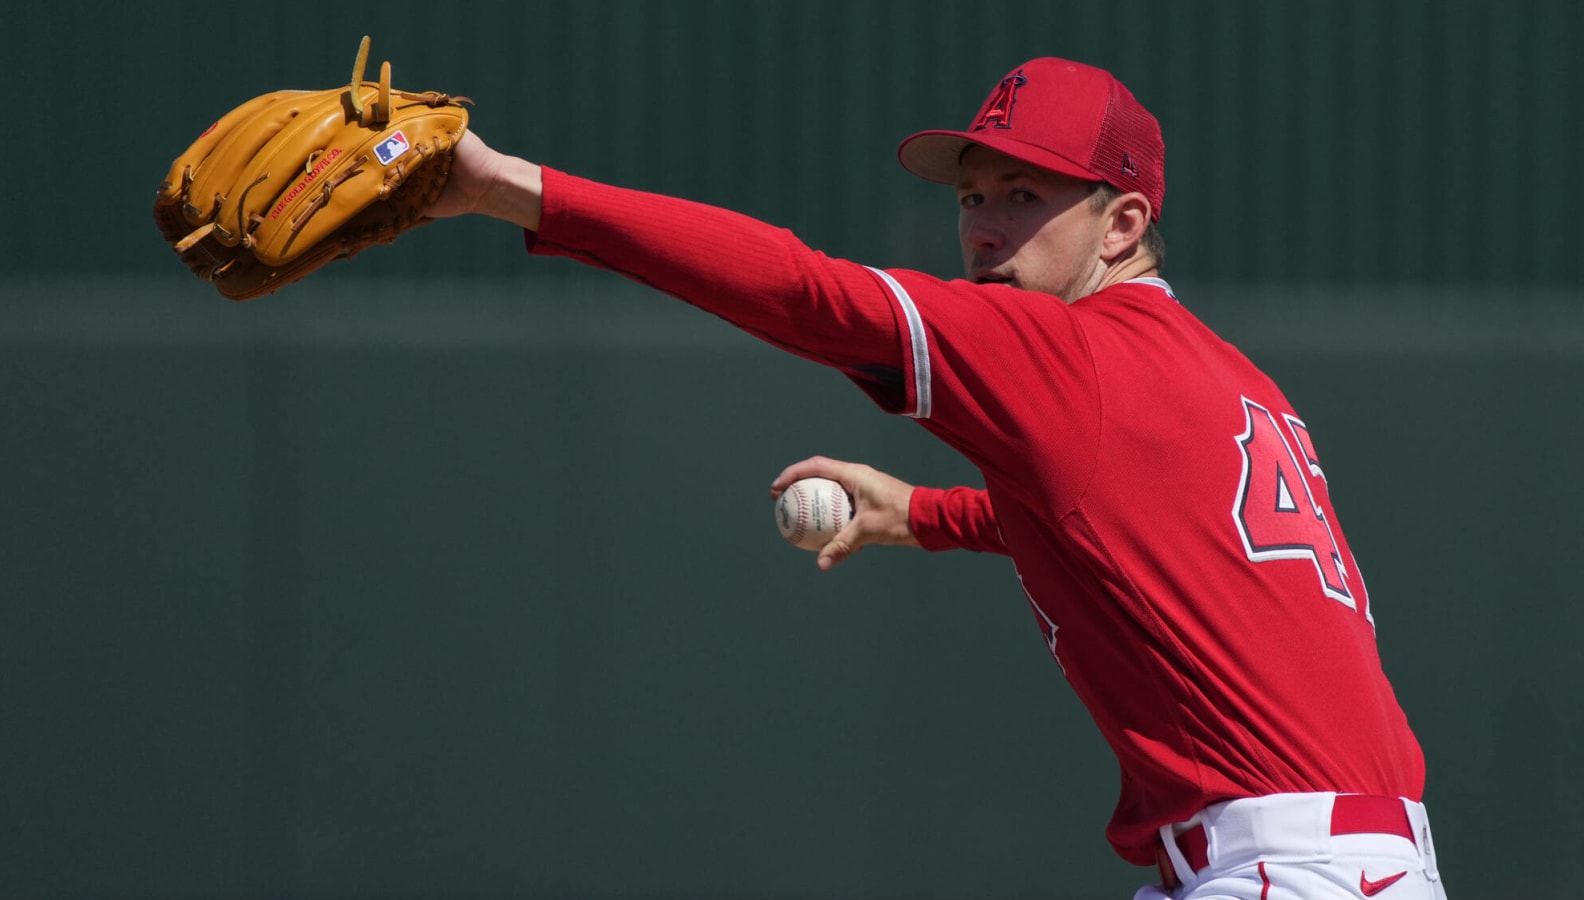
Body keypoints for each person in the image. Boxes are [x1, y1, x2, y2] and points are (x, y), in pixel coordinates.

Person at [430, 57, 1447, 900]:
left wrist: (504, 186)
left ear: (1121, 225)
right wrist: (922, 513)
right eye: (971, 196)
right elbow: (1136, 536)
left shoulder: (1064, 352)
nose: (985, 226)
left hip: (1285, 871)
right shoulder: (1225, 375)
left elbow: (804, 291)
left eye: (1024, 195)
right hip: (1361, 860)